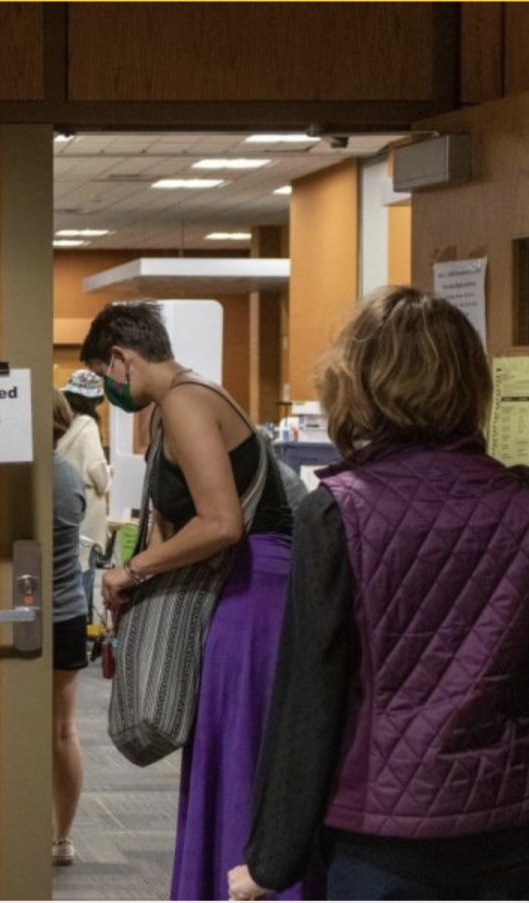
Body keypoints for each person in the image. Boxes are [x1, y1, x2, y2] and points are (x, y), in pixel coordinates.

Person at [228, 287, 529, 901]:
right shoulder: (520, 504)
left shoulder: (337, 513)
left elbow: (310, 699)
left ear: (358, 382)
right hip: (509, 823)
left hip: (380, 835)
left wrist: (269, 861)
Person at [80, 301, 315, 900]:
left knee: (240, 752)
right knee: (222, 747)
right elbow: (173, 521)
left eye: (105, 377)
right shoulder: (170, 409)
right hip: (237, 593)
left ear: (121, 359)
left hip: (253, 595)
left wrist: (131, 569)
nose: (108, 392)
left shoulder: (186, 402)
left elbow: (221, 524)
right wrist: (142, 576)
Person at [51, 390, 88, 868]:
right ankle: (62, 838)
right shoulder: (66, 474)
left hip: (35, 613)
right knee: (61, 731)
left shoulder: (25, 474)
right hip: (68, 611)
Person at [57, 370, 111, 615]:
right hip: (87, 518)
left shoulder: (65, 423)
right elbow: (97, 473)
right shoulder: (87, 425)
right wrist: (109, 474)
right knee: (83, 581)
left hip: (68, 510)